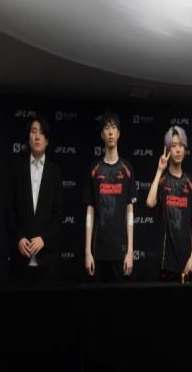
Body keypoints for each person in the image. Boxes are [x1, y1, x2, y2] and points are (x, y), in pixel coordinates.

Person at [8, 115, 63, 285]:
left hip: (47, 259)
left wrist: (44, 239)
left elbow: (58, 213)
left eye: (42, 133)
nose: (37, 136)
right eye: (33, 131)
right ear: (28, 138)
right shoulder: (16, 169)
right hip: (20, 259)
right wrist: (19, 238)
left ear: (47, 141)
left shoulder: (55, 172)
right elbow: (9, 210)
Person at [84, 111, 137, 282]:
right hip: (97, 251)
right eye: (107, 128)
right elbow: (90, 212)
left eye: (114, 127)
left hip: (121, 251)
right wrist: (87, 251)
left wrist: (130, 251)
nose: (110, 132)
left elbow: (130, 212)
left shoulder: (127, 169)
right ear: (102, 134)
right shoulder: (94, 168)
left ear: (119, 133)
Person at [146, 126, 192, 282]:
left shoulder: (190, 182)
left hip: (187, 261)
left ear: (185, 149)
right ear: (168, 149)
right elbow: (150, 202)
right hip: (166, 261)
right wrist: (159, 170)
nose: (178, 150)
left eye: (181, 145)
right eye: (174, 145)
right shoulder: (162, 180)